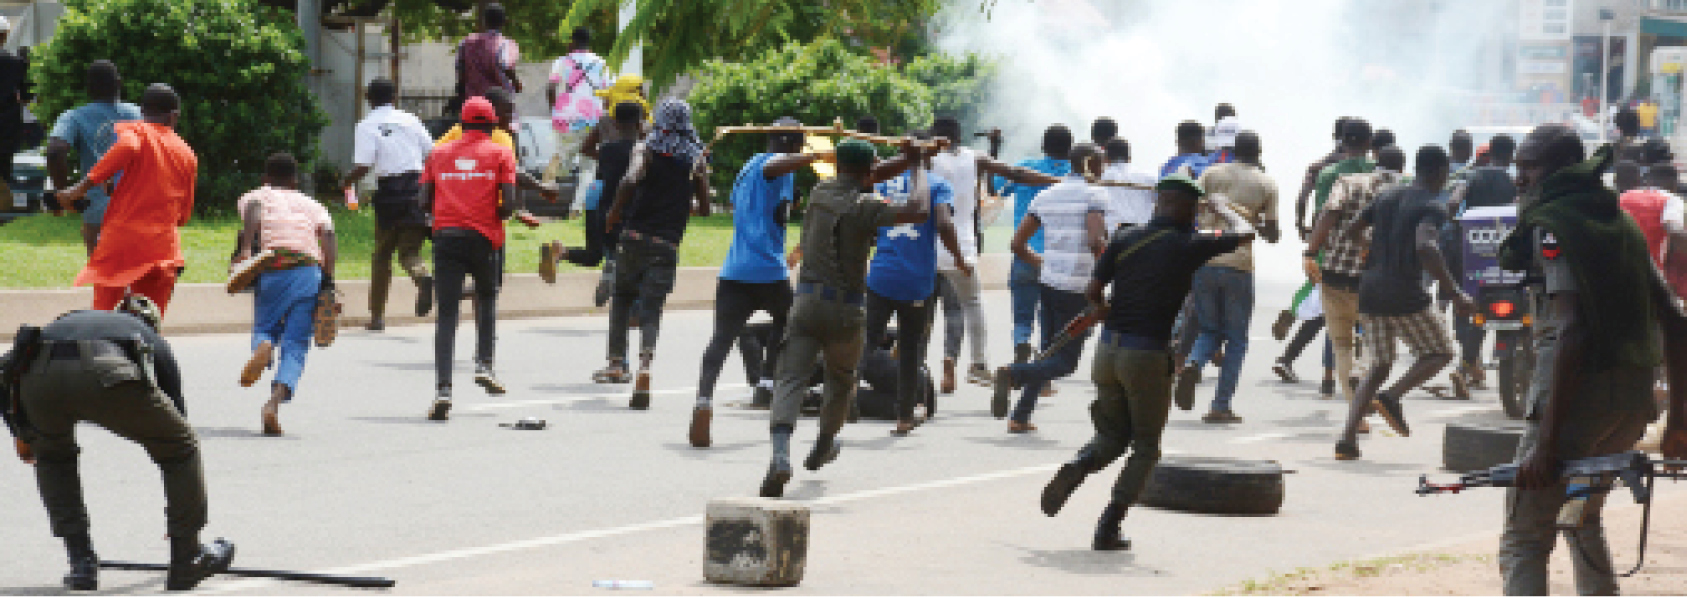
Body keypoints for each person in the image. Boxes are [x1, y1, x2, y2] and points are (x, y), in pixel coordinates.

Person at [1494, 123, 1687, 596]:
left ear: (1561, 168)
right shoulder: (1618, 221)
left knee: (1524, 539)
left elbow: (1572, 331)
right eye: (1517, 166)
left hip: (1573, 404)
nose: (1520, 178)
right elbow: (1676, 320)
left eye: (1530, 166)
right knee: (1581, 519)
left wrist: (1547, 443)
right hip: (1630, 404)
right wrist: (1679, 420)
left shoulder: (1554, 226)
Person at [1038, 174, 1253, 552]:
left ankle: (1080, 464)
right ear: (1185, 207)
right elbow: (1248, 233)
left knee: (1111, 436)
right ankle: (1109, 526)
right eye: (1195, 208)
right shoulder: (1188, 243)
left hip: (1108, 352)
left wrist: (1106, 311)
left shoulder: (1124, 237)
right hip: (1147, 356)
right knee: (1146, 446)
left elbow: (1093, 291)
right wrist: (1222, 209)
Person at [2, 297, 236, 591]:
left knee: (53, 459)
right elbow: (177, 424)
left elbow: (9, 367)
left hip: (36, 377)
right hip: (104, 370)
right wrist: (181, 515)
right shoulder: (146, 335)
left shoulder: (68, 323)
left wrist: (19, 430)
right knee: (181, 446)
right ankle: (186, 558)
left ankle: (81, 564)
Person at [760, 139, 929, 498]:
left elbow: (863, 174)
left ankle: (779, 454)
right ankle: (824, 443)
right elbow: (918, 210)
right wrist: (916, 165)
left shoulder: (820, 192)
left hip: (806, 302)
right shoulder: (868, 206)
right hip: (848, 309)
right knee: (840, 380)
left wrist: (907, 157)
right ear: (868, 172)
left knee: (791, 376)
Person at [1333, 146, 1474, 460]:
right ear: (1440, 173)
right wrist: (1454, 292)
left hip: (1370, 290)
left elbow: (1352, 227)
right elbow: (1426, 247)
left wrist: (1366, 249)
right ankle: (1392, 397)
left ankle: (1346, 439)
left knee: (1379, 365)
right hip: (1405, 292)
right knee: (1441, 352)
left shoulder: (1385, 196)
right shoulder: (1431, 206)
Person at [689, 118, 811, 447]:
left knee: (721, 340)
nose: (803, 150)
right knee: (789, 322)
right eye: (800, 144)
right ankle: (768, 383)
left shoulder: (747, 169)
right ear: (788, 143)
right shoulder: (769, 163)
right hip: (768, 271)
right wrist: (819, 158)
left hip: (734, 271)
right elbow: (775, 165)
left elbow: (766, 205)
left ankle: (703, 399)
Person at [928, 117, 1063, 392]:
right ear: (959, 135)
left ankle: (912, 362)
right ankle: (978, 365)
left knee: (918, 312)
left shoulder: (923, 158)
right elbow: (1016, 174)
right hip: (961, 248)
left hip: (924, 251)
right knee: (972, 304)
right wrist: (1058, 180)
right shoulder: (974, 157)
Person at [599, 99, 712, 409]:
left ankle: (616, 361)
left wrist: (613, 213)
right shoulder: (696, 160)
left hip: (634, 237)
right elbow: (704, 209)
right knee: (652, 307)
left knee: (622, 297)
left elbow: (630, 180)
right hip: (667, 243)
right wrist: (678, 204)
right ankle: (645, 365)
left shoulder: (645, 149)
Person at [993, 143, 1110, 432]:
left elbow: (1017, 244)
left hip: (1050, 283)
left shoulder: (1046, 195)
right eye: (1100, 162)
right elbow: (1096, 242)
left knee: (1046, 352)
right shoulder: (1095, 194)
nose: (1104, 167)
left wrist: (1042, 264)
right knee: (1066, 362)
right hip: (1079, 289)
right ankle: (1012, 374)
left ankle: (1020, 416)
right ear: (1090, 164)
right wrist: (1103, 285)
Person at [420, 97, 521, 421]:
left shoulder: (438, 153)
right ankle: (484, 364)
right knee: (486, 297)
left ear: (461, 124)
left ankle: (443, 389)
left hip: (446, 237)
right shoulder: (501, 152)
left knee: (447, 313)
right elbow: (509, 205)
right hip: (484, 238)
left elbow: (423, 200)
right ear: (492, 126)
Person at [57, 84, 197, 314]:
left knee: (103, 312)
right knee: (149, 319)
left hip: (121, 243)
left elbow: (129, 146)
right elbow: (183, 216)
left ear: (142, 111)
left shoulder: (136, 133)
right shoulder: (187, 153)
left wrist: (78, 189)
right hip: (162, 250)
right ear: (174, 116)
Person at [863, 142, 970, 435]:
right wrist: (960, 260)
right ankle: (905, 416)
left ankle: (842, 399)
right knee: (911, 349)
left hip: (881, 277)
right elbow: (945, 224)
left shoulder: (883, 182)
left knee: (866, 341)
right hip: (917, 281)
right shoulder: (938, 184)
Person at [1175, 131, 1280, 422]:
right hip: (1238, 266)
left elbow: (1189, 207)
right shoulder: (1266, 182)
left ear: (1233, 151)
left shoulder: (1210, 174)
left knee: (1209, 329)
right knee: (1235, 339)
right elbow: (1272, 235)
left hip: (1204, 261)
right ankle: (1220, 405)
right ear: (1259, 153)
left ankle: (1195, 362)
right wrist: (1259, 224)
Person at [231, 153, 336, 436]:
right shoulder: (313, 204)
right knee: (297, 344)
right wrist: (329, 279)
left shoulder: (256, 195)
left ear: (265, 178)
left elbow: (253, 208)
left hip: (273, 267)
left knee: (265, 326)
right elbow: (327, 235)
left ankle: (264, 347)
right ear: (295, 180)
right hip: (307, 271)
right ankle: (273, 404)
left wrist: (244, 251)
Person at [1302, 123, 1386, 410]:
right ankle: (1361, 374)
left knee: (1341, 342)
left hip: (1334, 267)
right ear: (1370, 141)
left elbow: (1323, 217)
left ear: (1341, 140)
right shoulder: (1379, 175)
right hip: (1373, 272)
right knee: (1374, 336)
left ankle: (1355, 411)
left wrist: (1311, 253)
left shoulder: (1330, 175)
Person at [341, 78, 435, 331]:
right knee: (409, 252)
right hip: (417, 191)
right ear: (395, 97)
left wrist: (345, 181)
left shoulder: (366, 125)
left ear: (368, 97)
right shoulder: (411, 120)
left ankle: (377, 317)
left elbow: (363, 165)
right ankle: (423, 276)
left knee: (383, 255)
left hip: (390, 194)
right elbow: (432, 152)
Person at [540, 100, 646, 309]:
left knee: (594, 255)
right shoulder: (643, 152)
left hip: (598, 202)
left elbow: (587, 148)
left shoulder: (606, 151)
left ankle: (559, 251)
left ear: (615, 123)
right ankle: (614, 276)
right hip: (623, 209)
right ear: (640, 123)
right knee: (629, 253)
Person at [45, 60, 142, 256]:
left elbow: (55, 151)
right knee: (140, 276)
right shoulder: (140, 113)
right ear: (119, 83)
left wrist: (64, 193)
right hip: (139, 207)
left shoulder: (74, 117)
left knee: (104, 275)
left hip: (98, 209)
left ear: (89, 88)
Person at [1444, 134, 1518, 387]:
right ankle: (1474, 365)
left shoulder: (1472, 176)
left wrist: (1457, 223)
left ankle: (1467, 366)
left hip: (1473, 251)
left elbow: (1454, 202)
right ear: (1511, 155)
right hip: (1506, 256)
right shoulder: (1514, 181)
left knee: (1473, 306)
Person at [999, 125, 1075, 368]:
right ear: (1071, 149)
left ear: (1043, 146)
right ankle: (1042, 374)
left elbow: (996, 187)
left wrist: (995, 147)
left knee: (1023, 316)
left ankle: (1021, 342)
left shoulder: (1026, 166)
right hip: (1058, 259)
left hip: (1025, 252)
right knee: (1050, 320)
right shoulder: (1076, 175)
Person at [547, 26, 609, 205]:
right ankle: (580, 208)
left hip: (565, 120)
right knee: (589, 166)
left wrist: (555, 110)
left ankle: (548, 193)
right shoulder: (602, 63)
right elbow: (607, 93)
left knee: (559, 159)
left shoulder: (562, 61)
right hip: (592, 121)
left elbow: (551, 88)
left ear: (572, 42)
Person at [456, 2, 521, 101]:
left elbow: (460, 67)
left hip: (472, 100)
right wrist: (516, 83)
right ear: (504, 22)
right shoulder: (505, 44)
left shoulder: (466, 42)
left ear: (484, 21)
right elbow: (505, 65)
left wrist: (461, 86)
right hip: (498, 102)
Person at [1099, 138, 1156, 232]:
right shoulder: (1149, 177)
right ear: (1129, 158)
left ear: (1105, 158)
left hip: (1113, 235)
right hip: (1144, 235)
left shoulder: (1100, 178)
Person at [0, 16, 30, 189]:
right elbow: (26, 95)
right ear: (5, 35)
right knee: (5, 165)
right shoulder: (17, 63)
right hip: (7, 122)